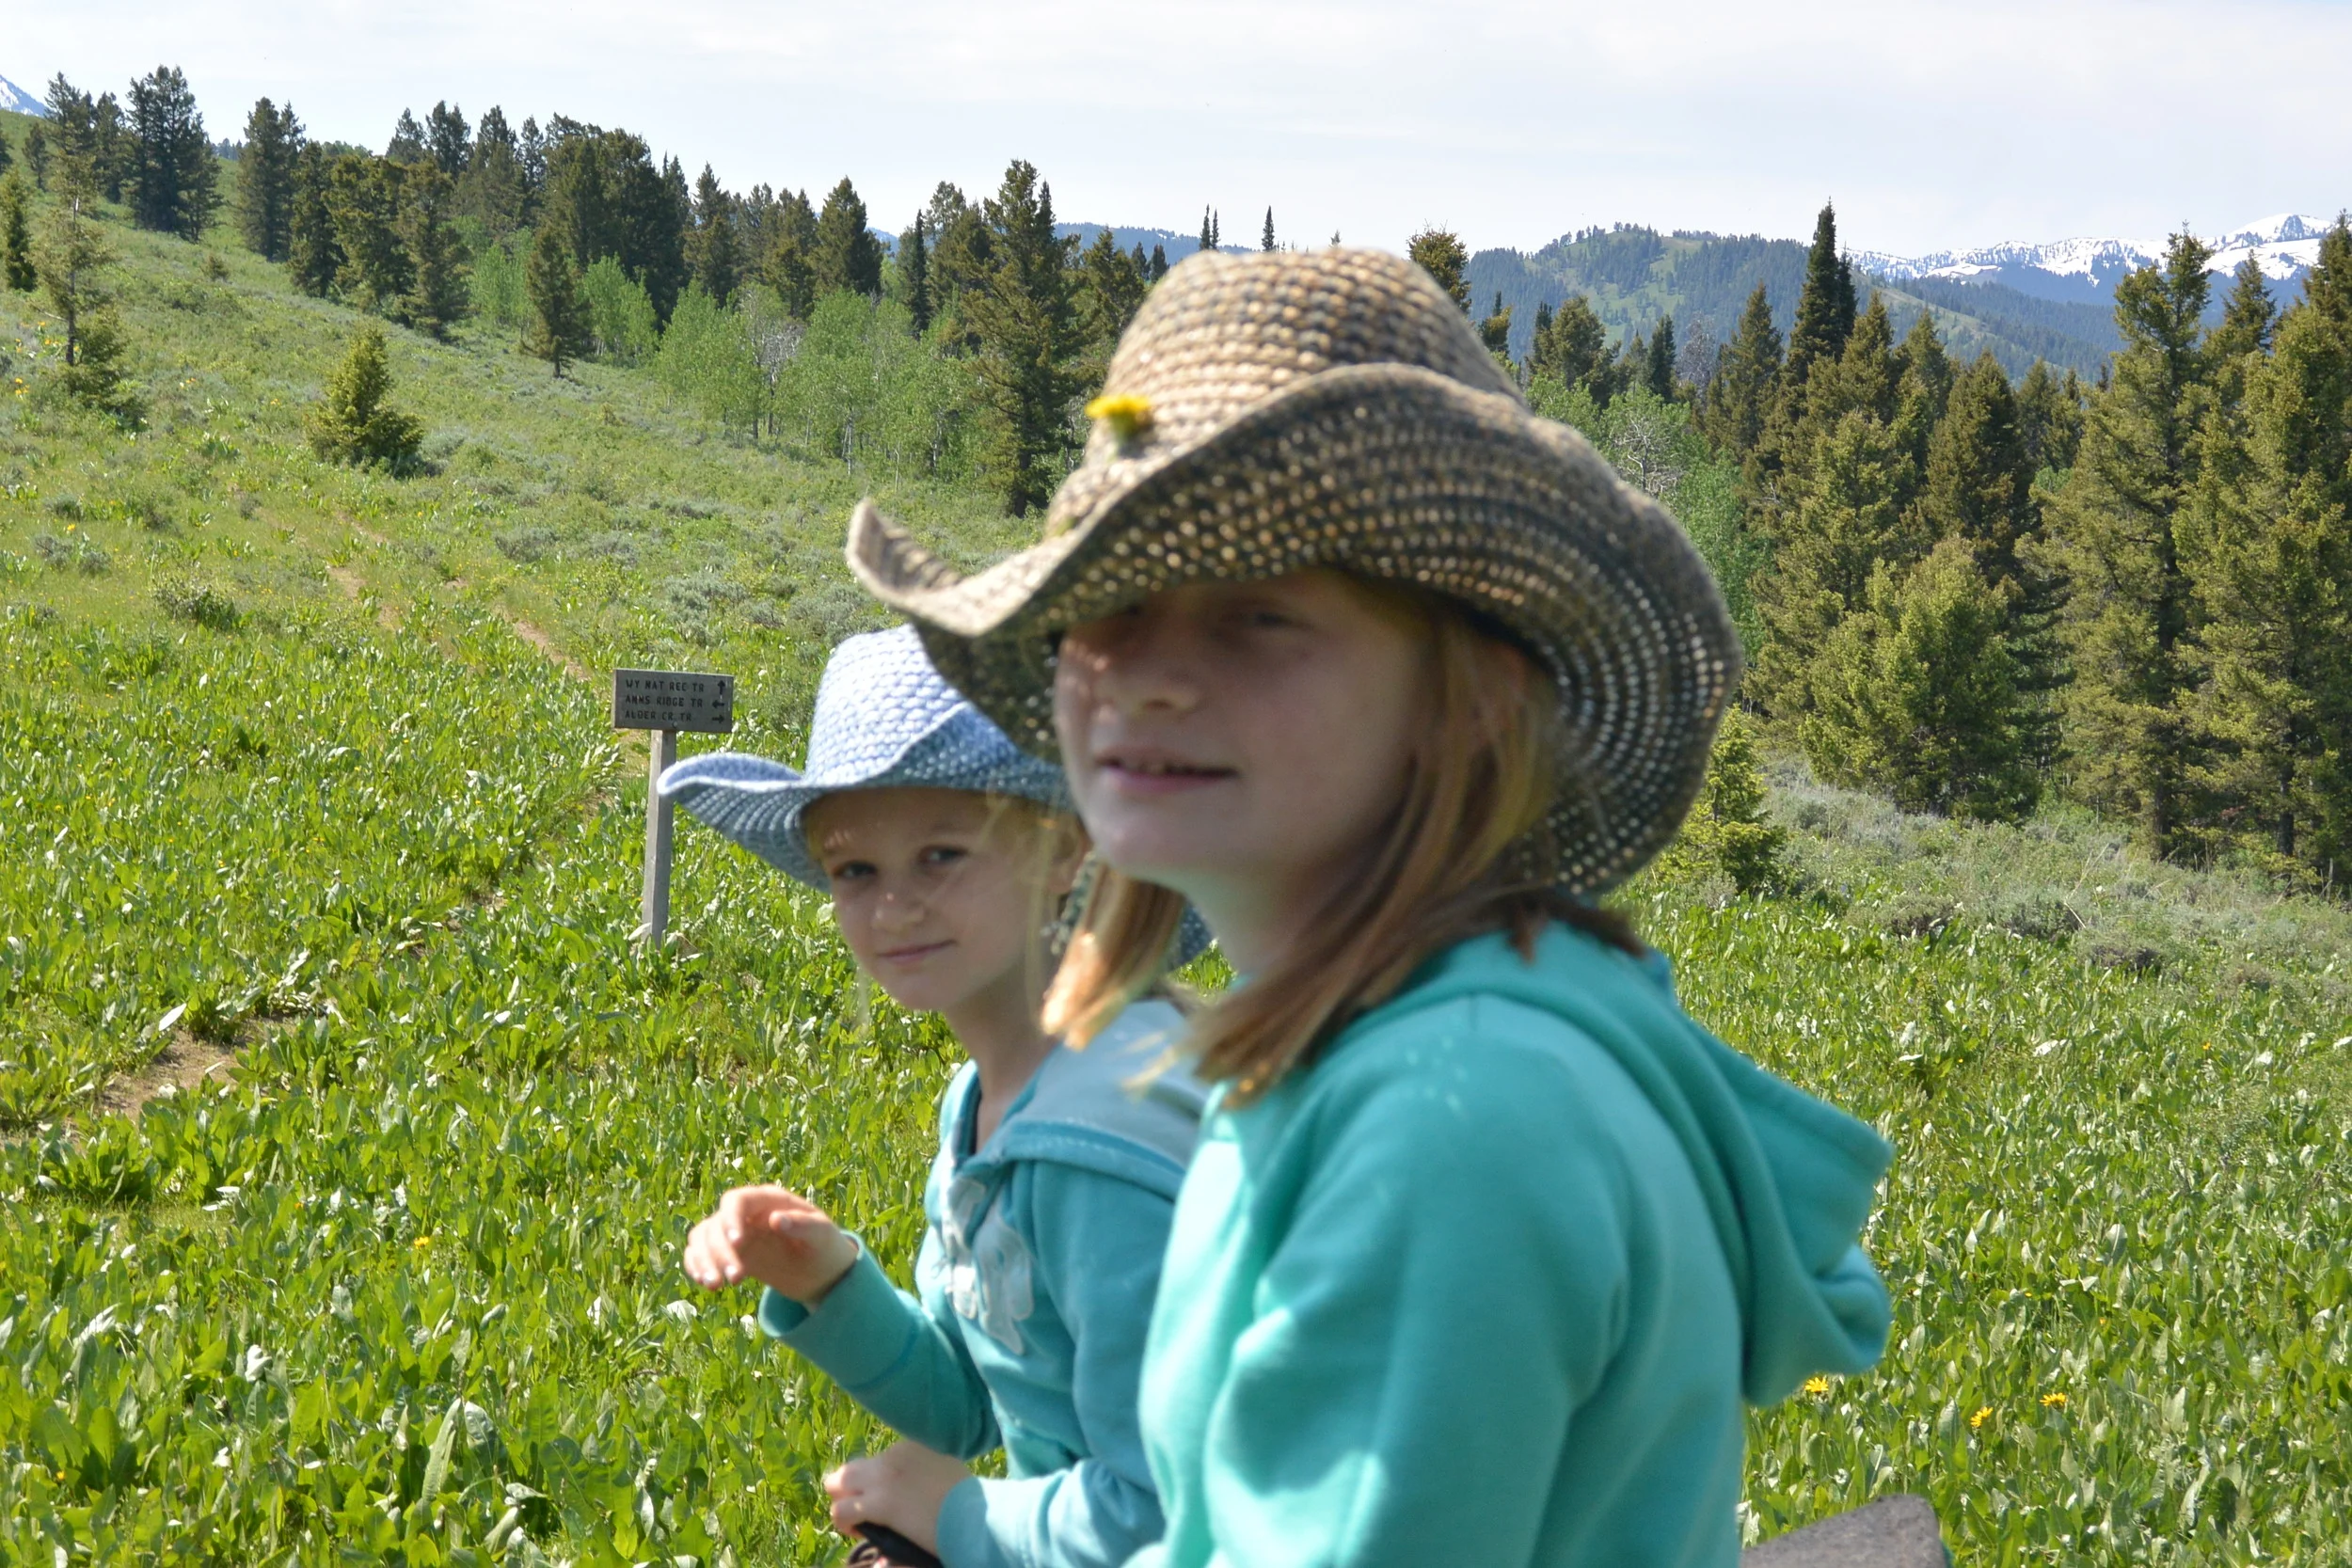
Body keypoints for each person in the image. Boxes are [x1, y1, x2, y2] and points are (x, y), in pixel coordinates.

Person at [844, 249, 1895, 1567]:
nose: (1148, 673)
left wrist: (964, 1522)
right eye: (1104, 603)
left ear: (1469, 700)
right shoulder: (1437, 1029)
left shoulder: (1444, 1124)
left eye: (1259, 613)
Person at [667, 625, 1204, 1568]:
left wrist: (963, 1520)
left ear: (1070, 852)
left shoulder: (1097, 1146)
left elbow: (1172, 1507)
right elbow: (971, 1402)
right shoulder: (988, 1102)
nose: (892, 905)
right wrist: (826, 1280)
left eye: (942, 854)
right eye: (854, 869)